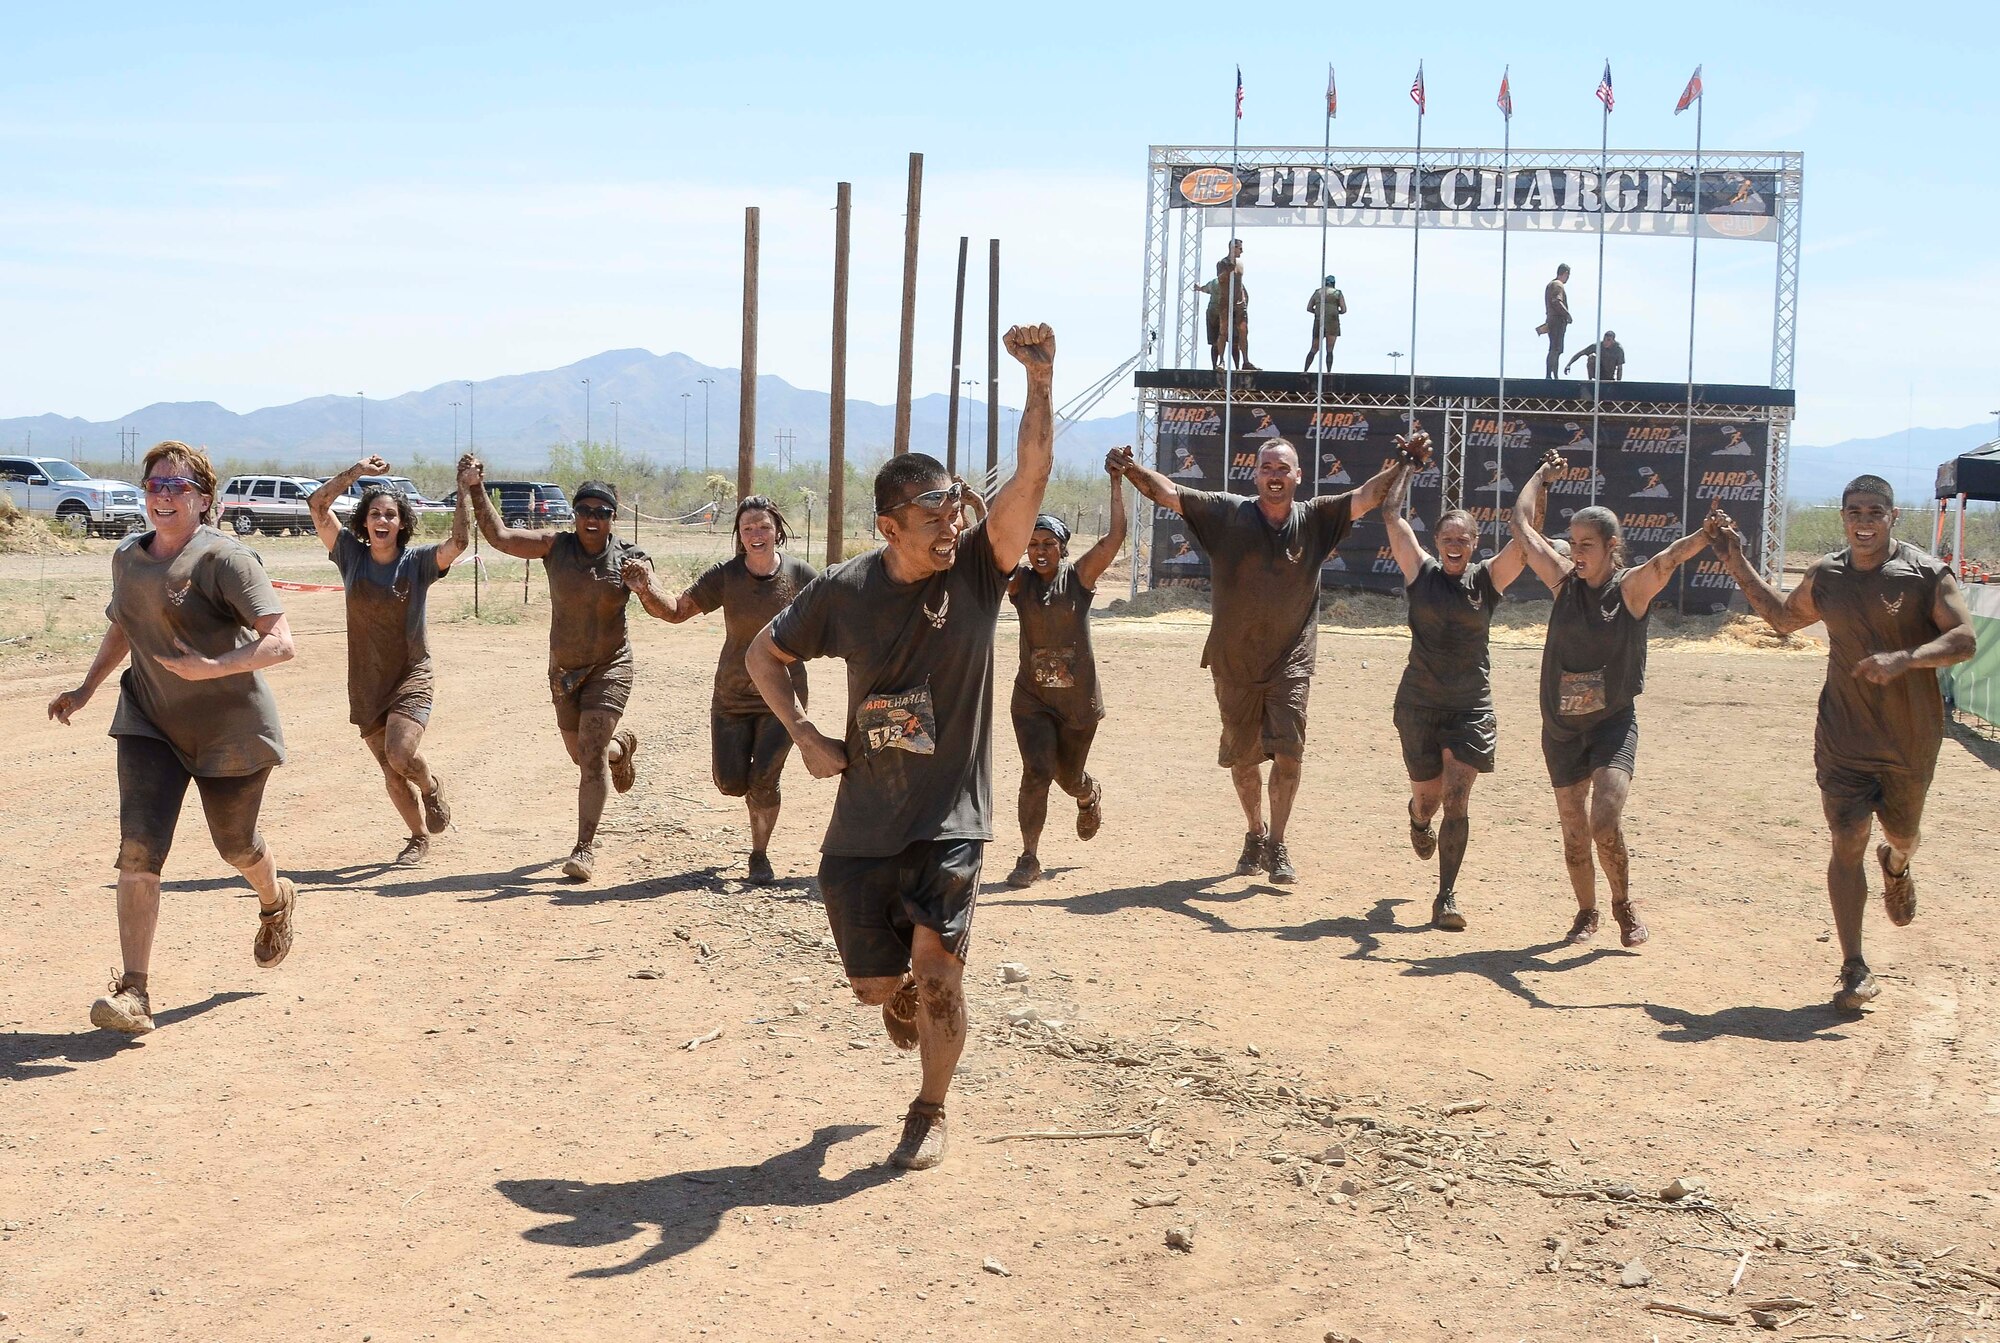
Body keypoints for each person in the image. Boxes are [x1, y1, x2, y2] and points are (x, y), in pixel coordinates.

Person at [746, 323, 1058, 1172]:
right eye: (932, 514)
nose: (951, 522)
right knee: (876, 987)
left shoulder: (981, 569)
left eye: (956, 506)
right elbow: (760, 655)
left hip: (952, 813)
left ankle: (930, 1107)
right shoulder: (844, 592)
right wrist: (807, 734)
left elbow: (1030, 476)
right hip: (864, 819)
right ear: (889, 524)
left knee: (942, 972)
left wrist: (1039, 383)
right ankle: (900, 996)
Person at [47, 441, 299, 1035]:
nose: (163, 496)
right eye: (155, 485)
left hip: (231, 731)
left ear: (204, 500)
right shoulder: (128, 560)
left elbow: (282, 642)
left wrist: (211, 668)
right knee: (138, 850)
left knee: (236, 847)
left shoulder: (226, 561)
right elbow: (124, 626)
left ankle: (274, 899)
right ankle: (134, 991)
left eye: (177, 487)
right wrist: (85, 690)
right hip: (150, 719)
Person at [1706, 478, 1975, 1011]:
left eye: (1875, 511)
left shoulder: (1925, 574)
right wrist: (1737, 562)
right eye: (1854, 512)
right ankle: (1854, 966)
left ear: (1894, 516)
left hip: (1910, 741)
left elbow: (1964, 639)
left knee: (1904, 834)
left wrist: (1906, 658)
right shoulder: (1827, 574)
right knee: (1846, 837)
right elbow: (1784, 619)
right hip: (1843, 737)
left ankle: (1896, 864)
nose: (1863, 520)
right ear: (1844, 518)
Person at [1111, 434, 1400, 884]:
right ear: (1256, 473)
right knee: (1243, 762)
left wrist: (1400, 462)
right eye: (1267, 467)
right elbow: (1169, 493)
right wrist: (1130, 470)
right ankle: (1255, 831)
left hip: (1292, 661)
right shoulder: (1227, 513)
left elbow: (1365, 497)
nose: (1275, 476)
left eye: (1284, 468)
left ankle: (1279, 844)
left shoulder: (1318, 519)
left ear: (1298, 476)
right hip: (1234, 662)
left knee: (1289, 754)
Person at [1508, 458, 1714, 946]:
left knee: (1604, 819)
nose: (1576, 553)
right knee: (1574, 831)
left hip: (1611, 725)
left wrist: (1705, 537)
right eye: (1573, 543)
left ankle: (1622, 904)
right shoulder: (1562, 581)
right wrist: (1540, 477)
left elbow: (1667, 559)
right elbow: (1520, 527)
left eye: (1587, 545)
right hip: (1560, 730)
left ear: (1611, 547)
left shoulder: (1630, 590)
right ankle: (1586, 913)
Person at [1382, 433, 1555, 930]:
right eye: (1448, 539)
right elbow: (1393, 518)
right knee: (1429, 799)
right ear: (1437, 542)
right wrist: (1407, 467)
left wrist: (1541, 481)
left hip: (1470, 707)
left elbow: (1529, 537)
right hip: (1418, 704)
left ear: (1475, 544)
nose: (1455, 546)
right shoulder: (1421, 572)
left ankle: (1446, 898)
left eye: (1464, 540)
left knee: (1457, 798)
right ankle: (1417, 820)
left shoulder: (1487, 579)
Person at [460, 460, 646, 882]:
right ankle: (622, 750)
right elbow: (501, 537)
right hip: (563, 670)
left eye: (602, 512)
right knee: (585, 755)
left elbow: (653, 590)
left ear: (613, 518)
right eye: (586, 510)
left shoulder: (628, 557)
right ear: (575, 515)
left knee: (591, 754)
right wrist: (476, 488)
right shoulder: (555, 546)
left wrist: (643, 583)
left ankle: (584, 848)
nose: (593, 518)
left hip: (610, 666)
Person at [624, 494, 817, 886]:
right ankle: (747, 794)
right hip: (732, 697)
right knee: (731, 783)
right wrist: (646, 589)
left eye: (763, 526)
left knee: (764, 779)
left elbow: (834, 620)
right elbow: (677, 610)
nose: (756, 534)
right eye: (748, 528)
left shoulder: (801, 576)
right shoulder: (725, 576)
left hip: (784, 699)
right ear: (740, 536)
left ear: (778, 530)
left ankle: (759, 854)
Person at [308, 456, 470, 865]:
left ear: (402, 523)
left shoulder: (417, 563)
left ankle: (432, 787)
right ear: (364, 522)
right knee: (390, 769)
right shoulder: (349, 555)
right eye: (375, 513)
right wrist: (355, 473)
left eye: (391, 515)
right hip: (366, 683)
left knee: (401, 754)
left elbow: (459, 545)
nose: (383, 520)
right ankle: (418, 837)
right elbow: (317, 506)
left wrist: (464, 491)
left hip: (411, 675)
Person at [1003, 458, 1128, 887]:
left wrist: (1115, 481)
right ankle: (1028, 858)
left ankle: (1088, 794)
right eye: (1032, 544)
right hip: (1032, 700)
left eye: (1047, 544)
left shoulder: (1078, 579)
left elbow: (1115, 538)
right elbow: (990, 549)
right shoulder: (1019, 584)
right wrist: (976, 509)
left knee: (1067, 778)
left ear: (1062, 549)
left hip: (1077, 705)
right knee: (1036, 772)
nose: (1038, 551)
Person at [1304, 275, 1348, 372]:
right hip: (1332, 322)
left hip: (1318, 320)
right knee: (1330, 349)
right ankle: (1328, 371)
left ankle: (1305, 370)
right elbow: (1344, 309)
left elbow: (1309, 308)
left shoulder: (1317, 292)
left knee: (1314, 348)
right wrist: (1336, 311)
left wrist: (1318, 311)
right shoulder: (1337, 293)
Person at [1539, 264, 1573, 378]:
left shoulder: (1551, 284)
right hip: (1557, 320)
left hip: (1553, 319)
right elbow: (1556, 301)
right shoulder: (1557, 285)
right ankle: (1550, 375)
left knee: (1556, 349)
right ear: (1566, 274)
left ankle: (1554, 375)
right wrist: (1567, 314)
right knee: (1554, 348)